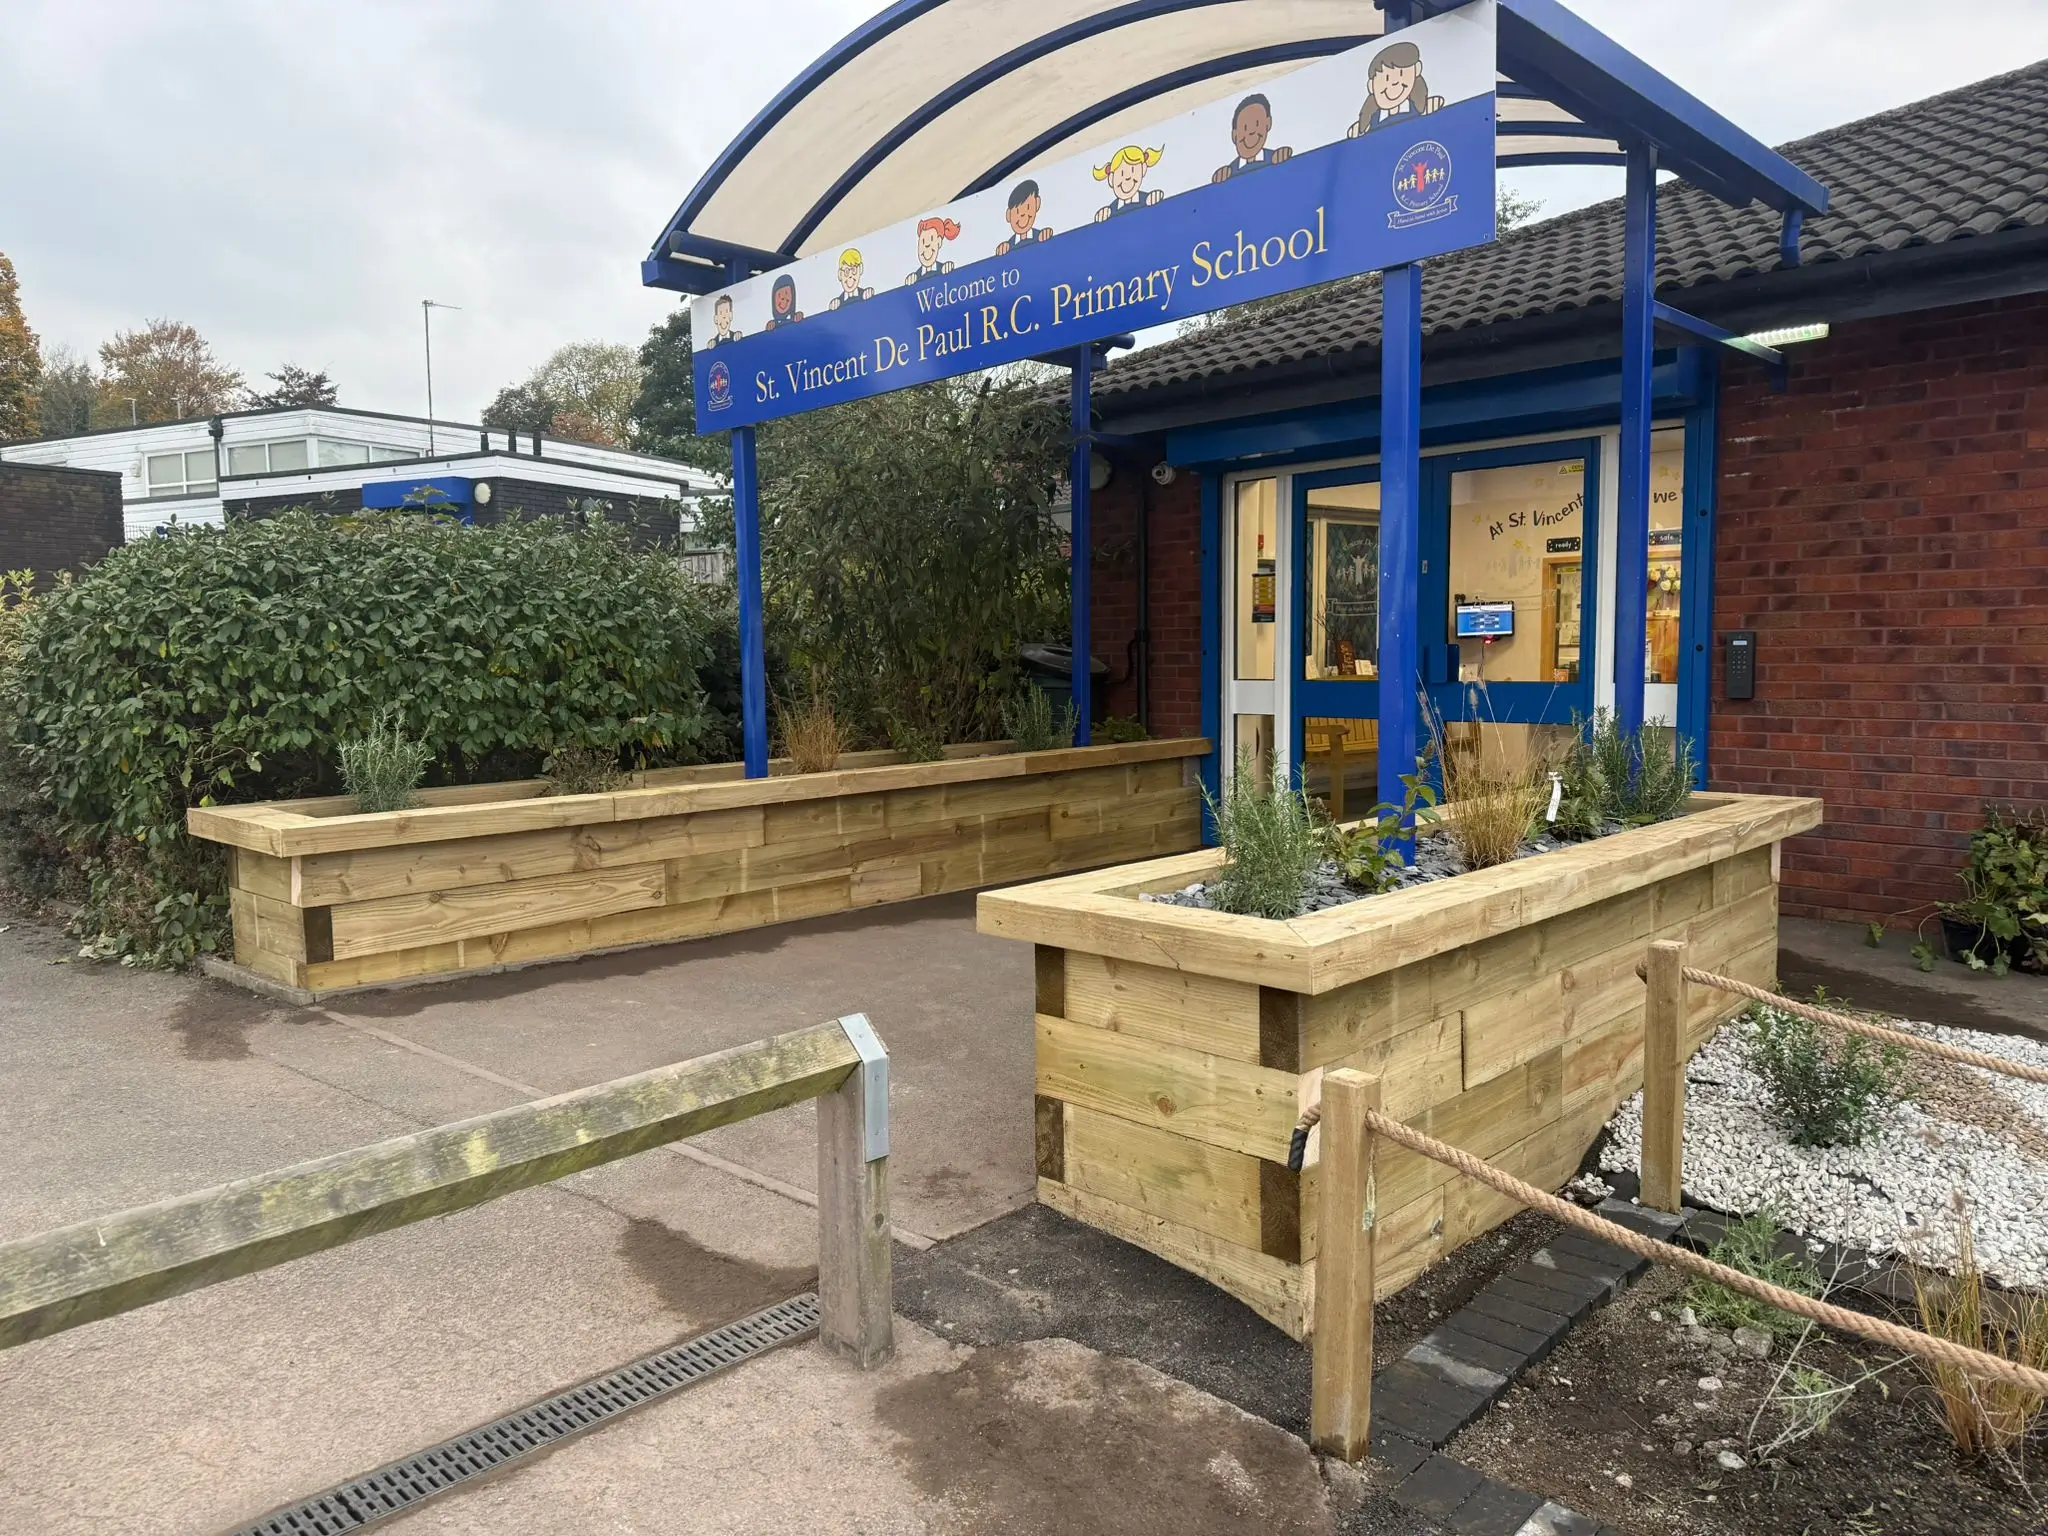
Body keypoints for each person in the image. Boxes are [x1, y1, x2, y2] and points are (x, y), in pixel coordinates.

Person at [1348, 40, 1445, 137]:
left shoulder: (1418, 108)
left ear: (1417, 70)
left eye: (1401, 74)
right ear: (1371, 86)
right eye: (1386, 79)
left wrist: (1431, 108)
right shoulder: (1371, 122)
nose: (1394, 82)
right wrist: (1360, 130)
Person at [1212, 95, 1293, 183]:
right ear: (1234, 135)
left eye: (1257, 124)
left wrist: (1284, 157)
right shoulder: (1230, 172)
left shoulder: (1274, 158)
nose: (1251, 131)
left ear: (1268, 124)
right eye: (1245, 128)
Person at [1092, 145, 1165, 221]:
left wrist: (1155, 197)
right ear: (1111, 179)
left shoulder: (1147, 199)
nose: (1127, 177)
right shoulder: (1110, 210)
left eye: (1133, 170)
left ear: (1143, 169)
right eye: (1121, 174)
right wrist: (1104, 214)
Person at [995, 180, 1053, 256]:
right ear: (1008, 215)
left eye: (1028, 207)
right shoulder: (1008, 247)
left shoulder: (1041, 236)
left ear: (1037, 204)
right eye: (1017, 211)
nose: (1022, 214)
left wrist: (1047, 236)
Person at [905, 217, 961, 283]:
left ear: (939, 242)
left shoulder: (944, 269)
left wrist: (949, 268)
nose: (926, 245)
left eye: (931, 239)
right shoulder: (915, 278)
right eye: (923, 241)